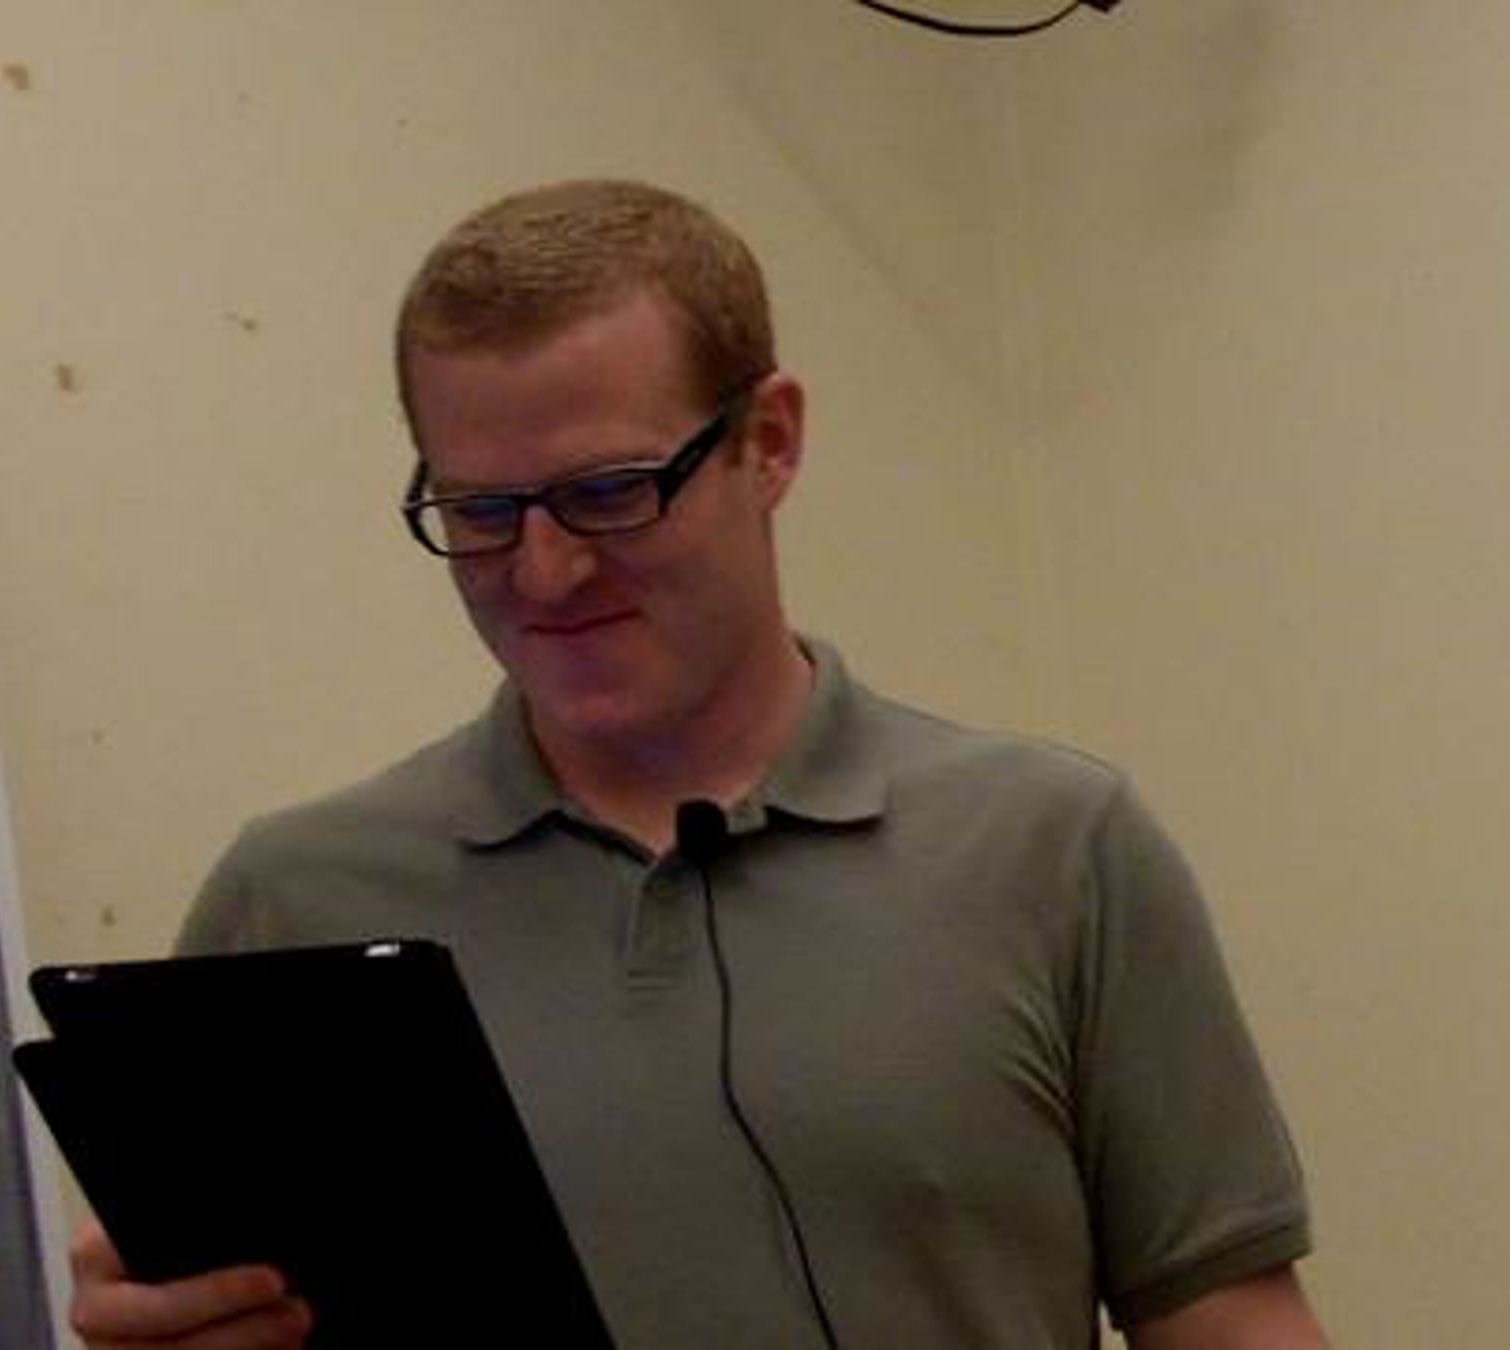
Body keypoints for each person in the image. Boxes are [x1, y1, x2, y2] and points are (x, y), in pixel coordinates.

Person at [66, 179, 1327, 1348]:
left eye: (611, 492)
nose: (545, 573)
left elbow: (1229, 1323)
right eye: (481, 513)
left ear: (767, 442)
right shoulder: (294, 899)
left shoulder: (1054, 848)